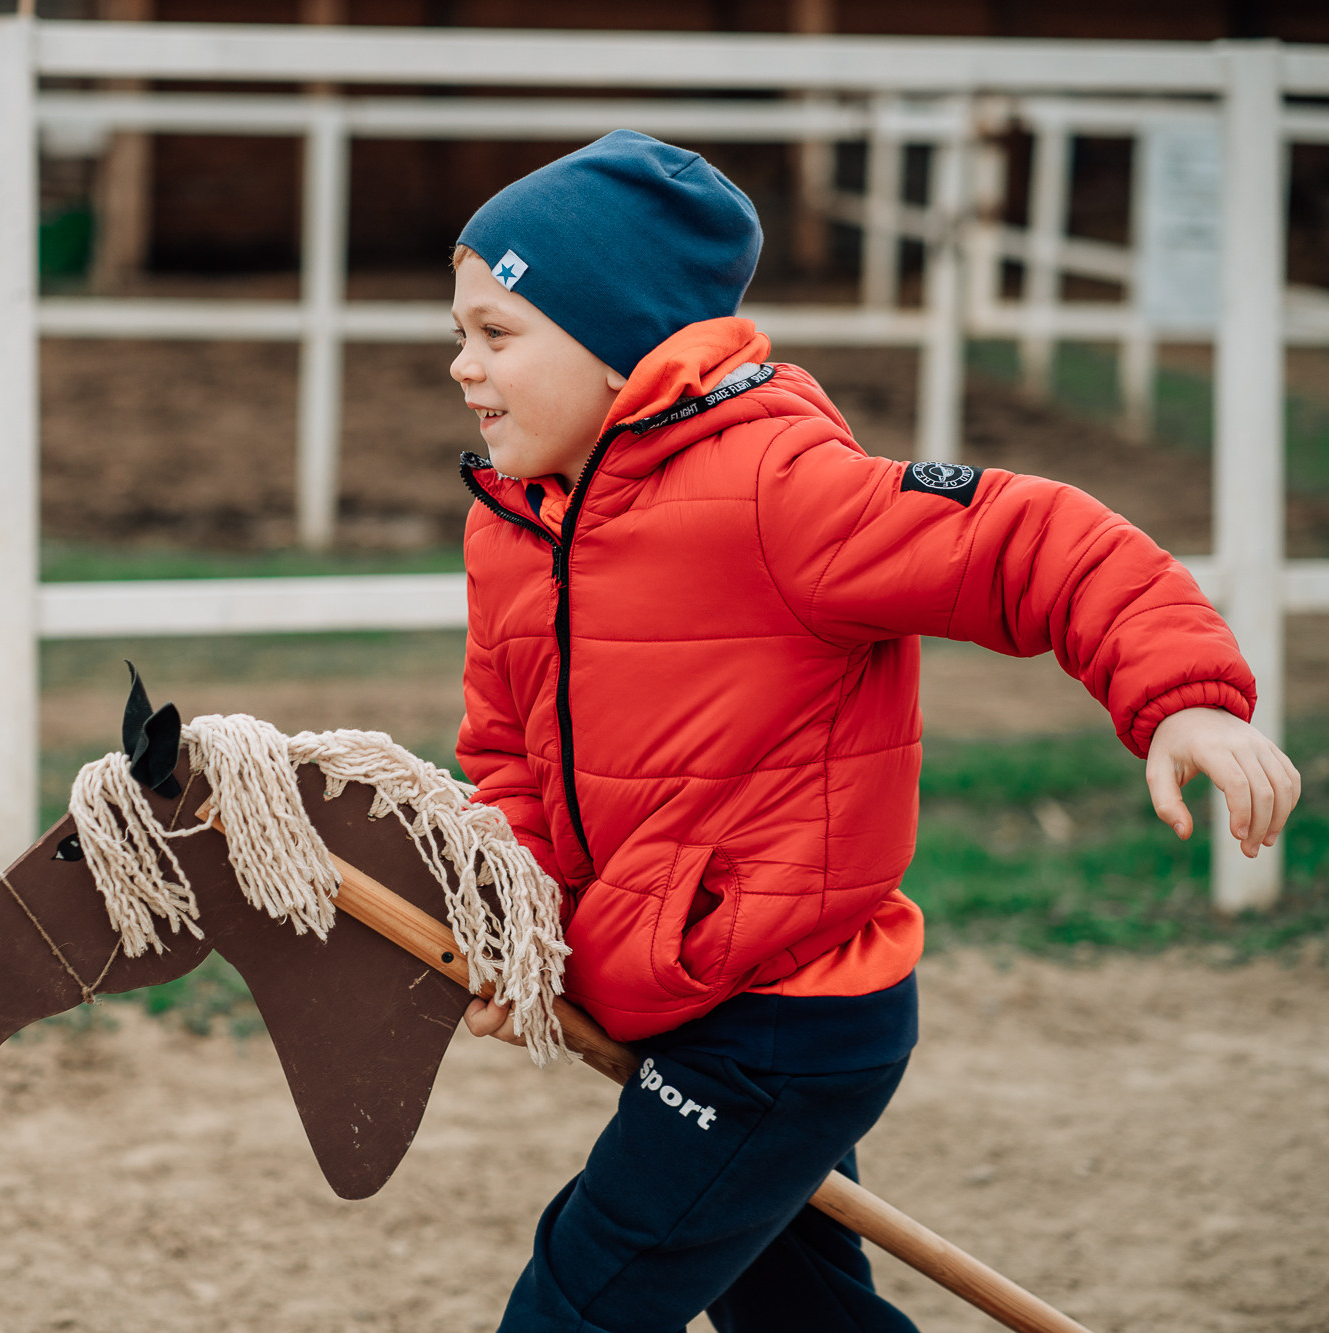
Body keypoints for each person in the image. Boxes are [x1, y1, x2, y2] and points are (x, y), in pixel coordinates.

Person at [447, 130, 1300, 1333]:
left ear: (617, 341)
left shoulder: (776, 492)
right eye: (458, 332)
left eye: (497, 333)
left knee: (582, 1301)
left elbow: (1030, 540)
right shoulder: (516, 528)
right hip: (683, 987)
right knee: (796, 1313)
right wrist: (515, 918)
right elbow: (504, 757)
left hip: (785, 1017)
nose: (461, 367)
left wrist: (1185, 696)